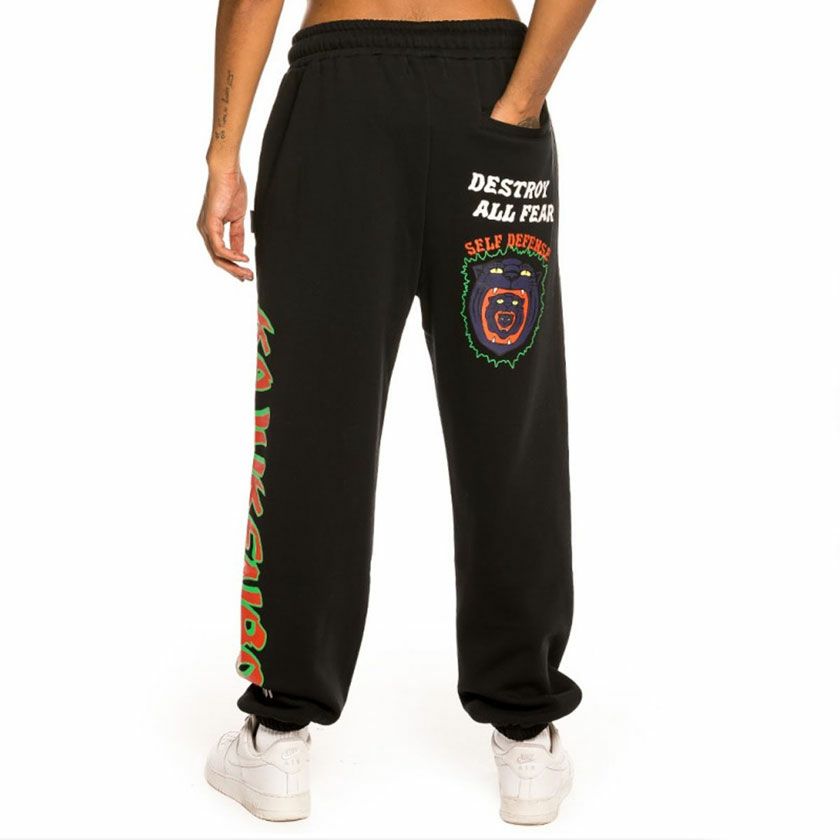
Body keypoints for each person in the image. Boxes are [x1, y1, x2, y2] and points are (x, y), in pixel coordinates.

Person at [197, 0, 596, 825]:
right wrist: (521, 101)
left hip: (339, 98)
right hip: (490, 85)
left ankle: (279, 735)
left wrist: (223, 150)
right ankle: (526, 733)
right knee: (509, 422)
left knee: (312, 418)